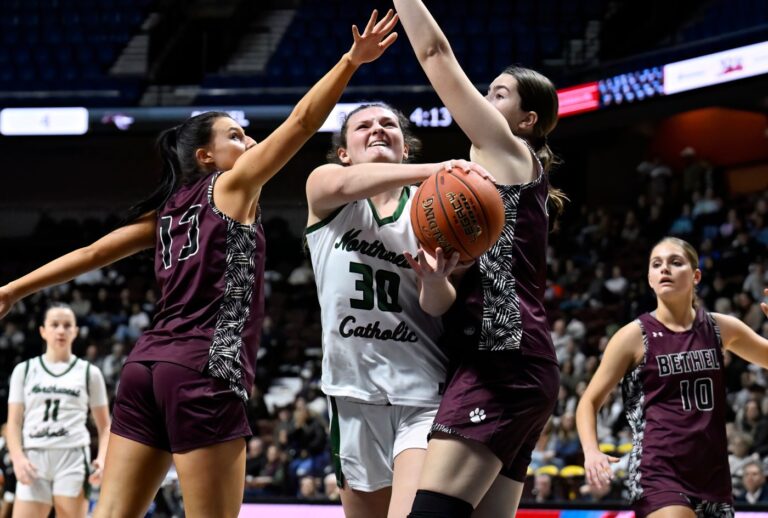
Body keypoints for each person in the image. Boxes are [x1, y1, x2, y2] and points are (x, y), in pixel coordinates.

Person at [0, 11, 397, 518]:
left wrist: (12, 289)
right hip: (202, 370)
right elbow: (301, 122)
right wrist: (350, 61)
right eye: (237, 136)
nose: (250, 143)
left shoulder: (167, 212)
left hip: (144, 369)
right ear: (207, 157)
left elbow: (90, 254)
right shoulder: (232, 186)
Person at [392, 1, 565, 516]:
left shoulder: (510, 153)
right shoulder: (487, 198)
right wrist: (437, 279)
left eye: (498, 95)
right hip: (509, 362)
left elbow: (435, 53)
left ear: (527, 121)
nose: (484, 101)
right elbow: (442, 305)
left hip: (503, 362)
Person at [305, 101, 489, 518]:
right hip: (351, 395)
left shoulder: (433, 211)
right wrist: (440, 170)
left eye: (388, 124)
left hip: (420, 392)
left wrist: (435, 280)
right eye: (363, 126)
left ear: (405, 147)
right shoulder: (326, 189)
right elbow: (344, 184)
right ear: (343, 153)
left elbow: (438, 306)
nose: (377, 129)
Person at [576, 237, 768, 518]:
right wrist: (591, 450)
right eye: (657, 264)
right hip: (657, 471)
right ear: (650, 280)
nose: (664, 268)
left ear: (696, 276)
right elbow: (589, 401)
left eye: (675, 262)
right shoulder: (632, 336)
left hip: (712, 476)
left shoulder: (720, 327)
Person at [6, 304, 110, 518]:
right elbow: (13, 423)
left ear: (75, 331)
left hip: (72, 457)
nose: (61, 330)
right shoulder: (24, 370)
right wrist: (17, 458)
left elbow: (105, 426)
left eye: (67, 325)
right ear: (43, 331)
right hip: (33, 457)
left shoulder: (90, 373)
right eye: (54, 325)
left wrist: (102, 459)